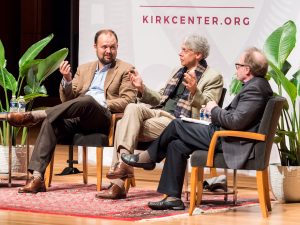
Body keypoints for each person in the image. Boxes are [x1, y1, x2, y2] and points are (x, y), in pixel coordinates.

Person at [121, 47, 273, 210]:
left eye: (238, 65)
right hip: (225, 135)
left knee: (177, 125)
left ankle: (149, 158)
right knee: (176, 145)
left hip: (229, 139)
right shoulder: (256, 85)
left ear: (247, 69)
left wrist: (214, 109)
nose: (236, 68)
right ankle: (173, 198)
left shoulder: (255, 89)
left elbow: (236, 122)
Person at [2, 29, 137, 193]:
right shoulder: (85, 69)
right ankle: (37, 178)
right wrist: (67, 81)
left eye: (113, 47)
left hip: (103, 118)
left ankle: (35, 115)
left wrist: (101, 103)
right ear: (95, 47)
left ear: (117, 47)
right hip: (79, 117)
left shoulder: (125, 69)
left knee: (88, 100)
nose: (109, 51)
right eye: (104, 47)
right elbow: (68, 101)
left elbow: (128, 101)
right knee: (51, 121)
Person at [95, 34, 224, 199]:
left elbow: (210, 106)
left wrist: (195, 92)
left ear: (198, 54)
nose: (180, 53)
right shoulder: (177, 71)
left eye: (185, 50)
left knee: (122, 125)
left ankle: (119, 182)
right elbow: (160, 98)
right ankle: (125, 165)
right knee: (133, 107)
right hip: (159, 113)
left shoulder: (213, 76)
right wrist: (141, 88)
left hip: (178, 123)